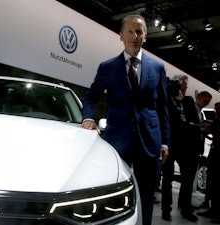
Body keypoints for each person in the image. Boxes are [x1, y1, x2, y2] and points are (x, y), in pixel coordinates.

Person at [80, 14, 169, 225]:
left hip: (150, 141)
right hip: (117, 141)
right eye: (129, 31)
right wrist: (88, 118)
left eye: (139, 31)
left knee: (147, 196)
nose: (134, 36)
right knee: (113, 192)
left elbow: (163, 109)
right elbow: (91, 97)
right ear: (121, 36)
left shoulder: (158, 68)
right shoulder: (108, 67)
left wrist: (165, 141)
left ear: (145, 36)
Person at [177, 91, 212, 222]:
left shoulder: (200, 113)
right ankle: (185, 208)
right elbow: (187, 126)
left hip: (195, 150)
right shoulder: (190, 107)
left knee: (188, 180)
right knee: (187, 180)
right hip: (188, 150)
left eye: (208, 102)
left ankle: (183, 203)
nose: (206, 104)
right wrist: (200, 128)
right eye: (205, 101)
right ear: (199, 98)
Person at [161, 75, 189, 221]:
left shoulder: (185, 101)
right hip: (169, 143)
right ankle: (166, 209)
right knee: (168, 178)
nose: (185, 87)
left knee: (186, 176)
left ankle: (185, 206)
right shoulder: (167, 98)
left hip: (182, 145)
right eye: (184, 84)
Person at [198, 102, 220, 224]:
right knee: (211, 181)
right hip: (214, 152)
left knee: (216, 183)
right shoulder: (216, 119)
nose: (216, 110)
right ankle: (212, 208)